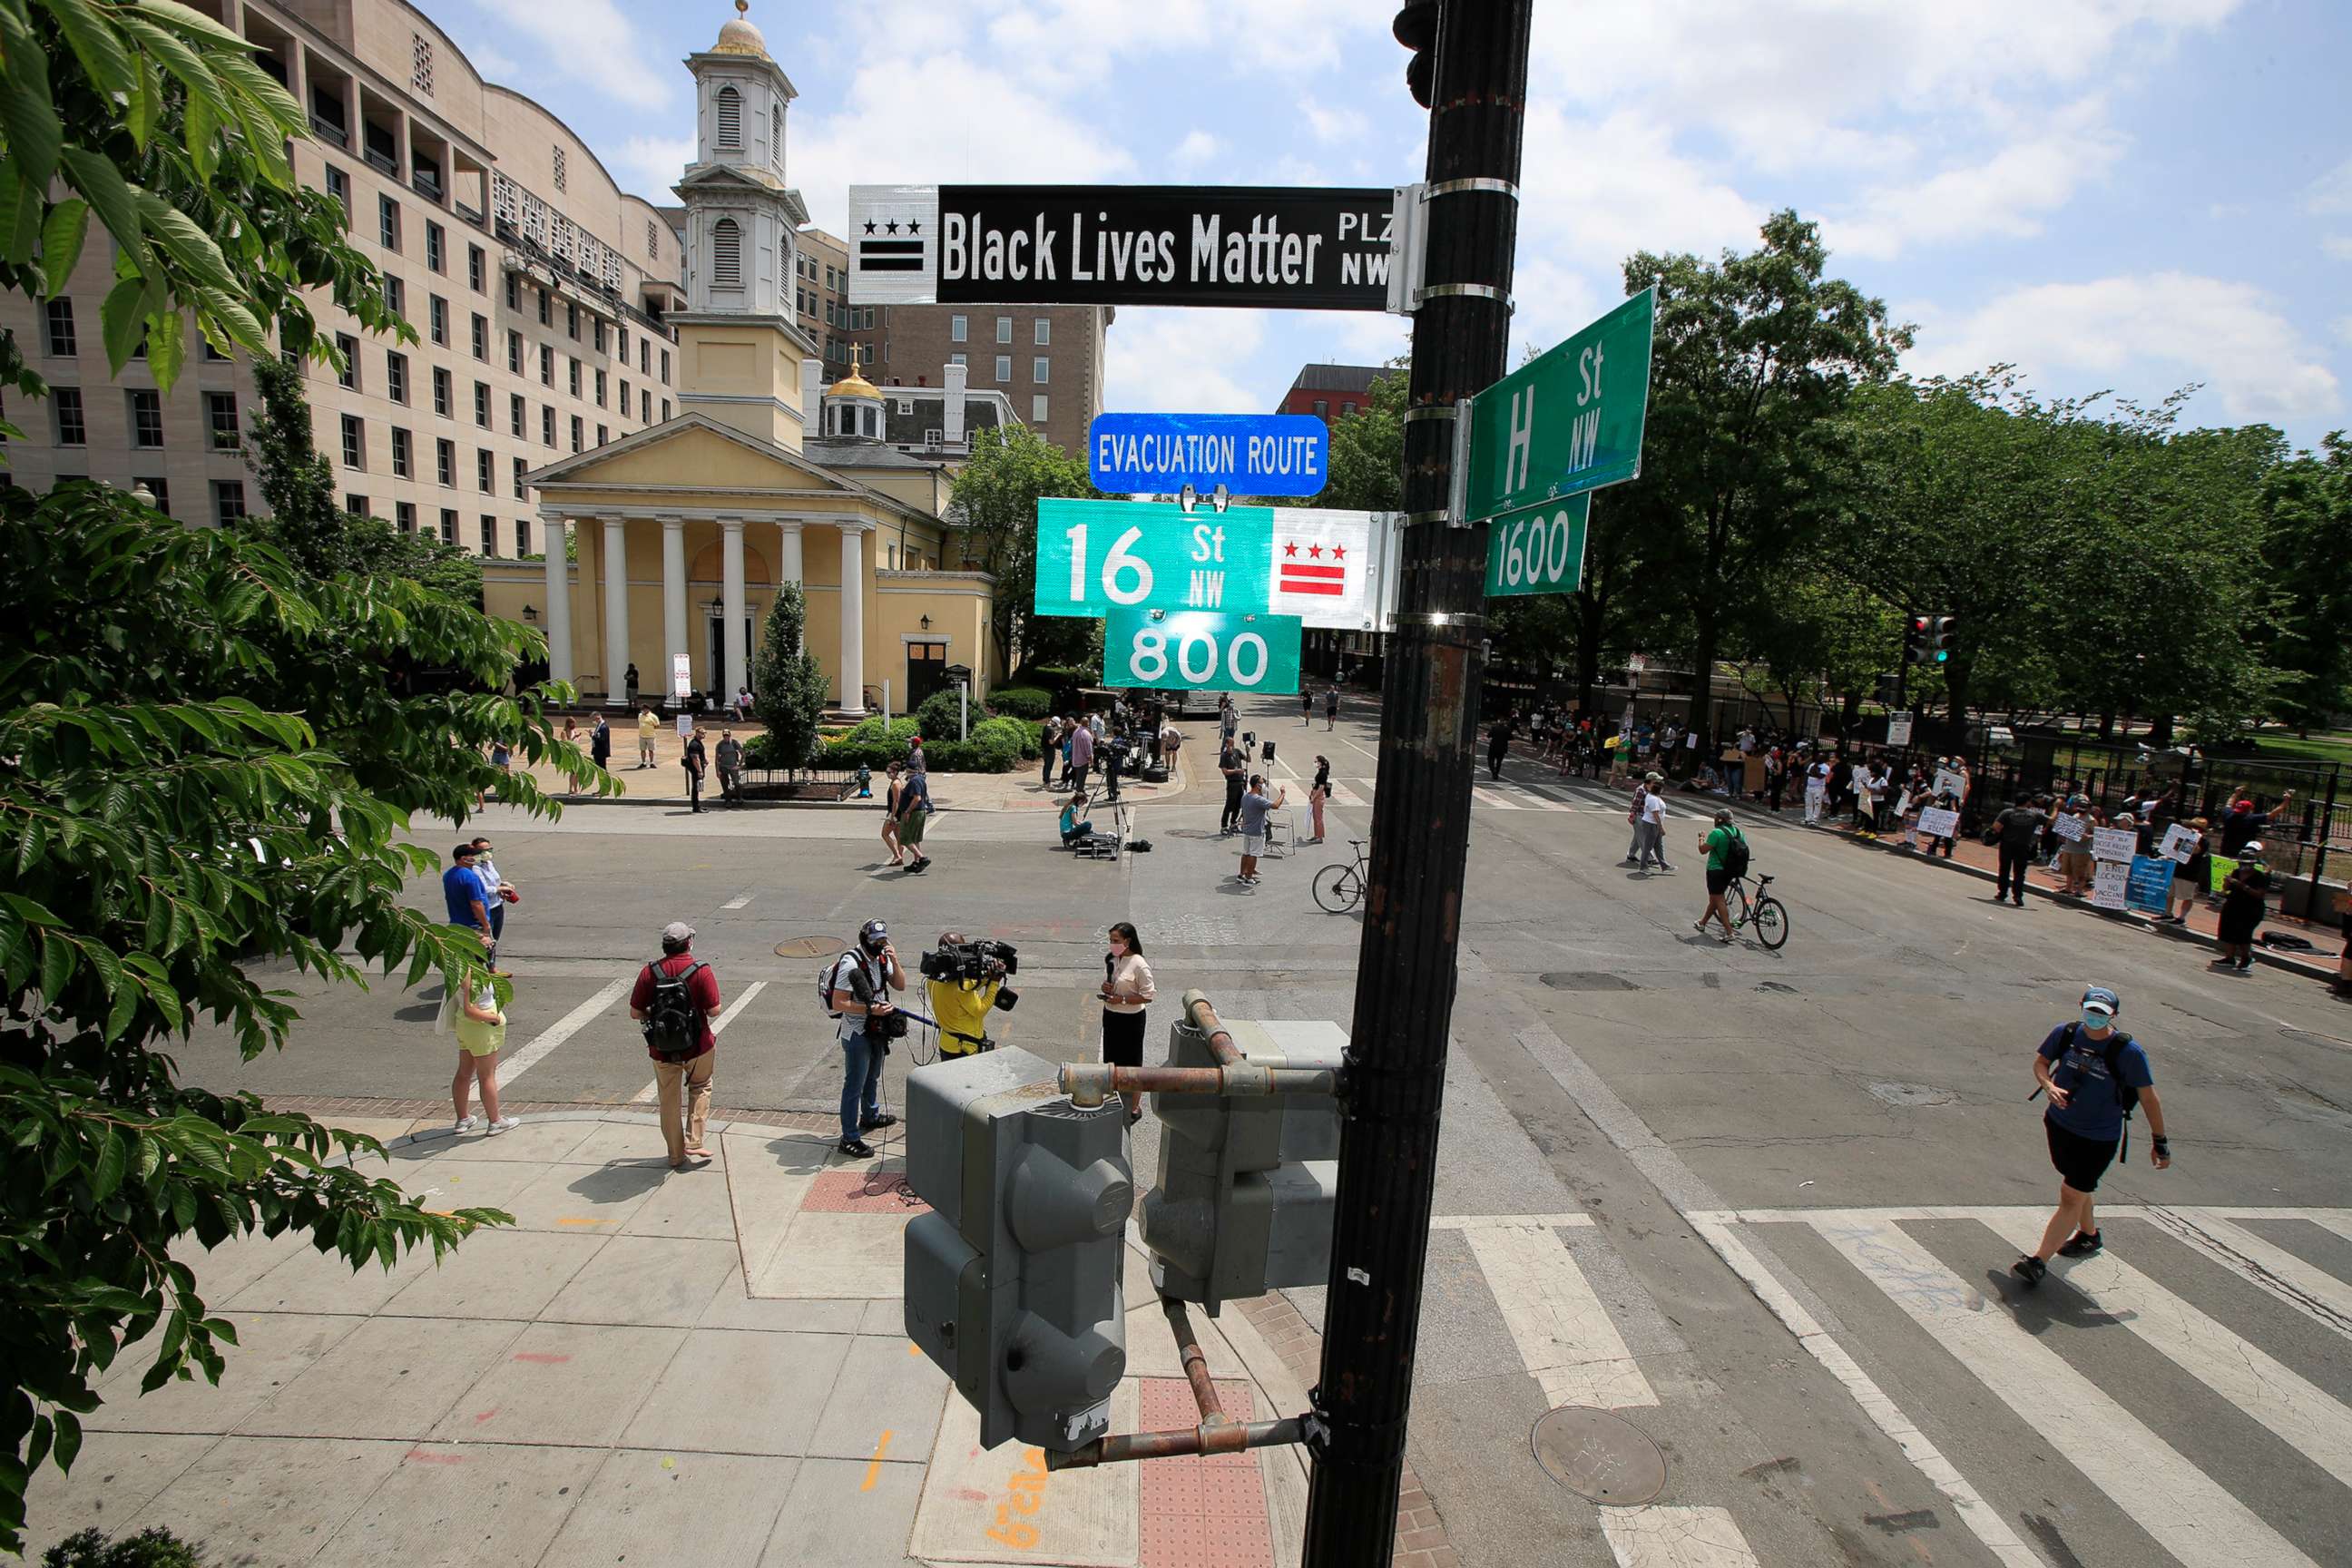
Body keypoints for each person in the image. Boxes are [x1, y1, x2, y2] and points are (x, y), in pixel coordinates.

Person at [2011, 985, 2168, 1286]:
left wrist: (2159, 1141)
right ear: (2082, 1006)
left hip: (2099, 1138)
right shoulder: (2066, 1033)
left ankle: (2039, 1261)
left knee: (2071, 1194)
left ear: (2113, 1016)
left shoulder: (2129, 1053)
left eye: (2102, 1014)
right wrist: (2048, 1086)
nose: (2095, 1017)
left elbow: (2149, 1098)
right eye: (2091, 1010)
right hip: (2059, 1124)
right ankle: (2090, 1235)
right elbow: (2041, 1063)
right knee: (2076, 1185)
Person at [628, 921, 722, 1171]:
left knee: (668, 1100)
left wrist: (657, 1012)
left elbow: (635, 1012)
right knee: (701, 1086)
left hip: (661, 1047)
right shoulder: (701, 970)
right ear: (689, 943)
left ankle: (675, 1155)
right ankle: (694, 1140)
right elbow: (714, 1010)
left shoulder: (650, 972)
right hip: (698, 1045)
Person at [826, 919, 906, 1159]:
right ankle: (849, 1137)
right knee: (854, 1085)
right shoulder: (851, 963)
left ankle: (870, 1115)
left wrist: (895, 960)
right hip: (857, 1032)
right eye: (875, 942)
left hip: (877, 1029)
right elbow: (838, 1002)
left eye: (883, 941)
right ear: (864, 940)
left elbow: (900, 985)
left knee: (873, 1076)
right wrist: (871, 1010)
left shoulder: (882, 958)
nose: (880, 945)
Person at [447, 970, 516, 1135]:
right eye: (483, 941)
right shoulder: (469, 972)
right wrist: (494, 1019)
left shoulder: (463, 966)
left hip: (467, 1028)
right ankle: (495, 1121)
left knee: (464, 1072)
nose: (489, 942)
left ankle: (463, 1119)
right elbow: (469, 1010)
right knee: (487, 1076)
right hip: (481, 1028)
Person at [1099, 921, 1155, 1124]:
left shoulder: (1139, 964)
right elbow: (1115, 983)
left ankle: (1133, 1107)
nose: (1112, 944)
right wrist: (1107, 989)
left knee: (1131, 1062)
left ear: (1128, 941)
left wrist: (1122, 1000)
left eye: (1116, 940)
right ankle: (1113, 1100)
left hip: (1131, 1019)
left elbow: (1148, 995)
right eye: (1111, 940)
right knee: (1111, 1060)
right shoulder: (1113, 959)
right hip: (1112, 1015)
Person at [2212, 845, 2269, 972]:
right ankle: (2229, 957)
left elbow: (2259, 894)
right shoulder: (2236, 872)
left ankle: (2246, 958)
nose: (2243, 866)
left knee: (2243, 934)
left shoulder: (2260, 876)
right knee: (2229, 931)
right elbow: (2226, 890)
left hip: (2250, 909)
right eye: (2241, 863)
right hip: (2233, 905)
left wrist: (2242, 886)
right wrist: (2227, 884)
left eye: (2246, 863)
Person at [443, 844, 497, 972]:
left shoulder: (449, 875)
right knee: (481, 956)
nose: (478, 857)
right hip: (473, 924)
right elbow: (476, 904)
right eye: (474, 855)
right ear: (464, 859)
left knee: (465, 958)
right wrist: (485, 925)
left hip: (457, 922)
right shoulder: (471, 877)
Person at [1693, 808, 1744, 944]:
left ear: (1720, 820)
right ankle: (1702, 922)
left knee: (1719, 899)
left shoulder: (1717, 833)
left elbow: (1703, 850)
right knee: (1715, 898)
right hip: (1730, 870)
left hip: (1716, 870)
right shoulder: (1738, 832)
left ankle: (1729, 932)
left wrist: (1701, 838)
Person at [468, 837, 516, 973]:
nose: (488, 852)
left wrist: (504, 885)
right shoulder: (475, 868)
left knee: (494, 939)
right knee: (485, 941)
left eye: (490, 849)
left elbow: (494, 881)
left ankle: (491, 967)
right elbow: (483, 889)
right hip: (486, 908)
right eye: (484, 850)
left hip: (497, 906)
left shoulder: (488, 863)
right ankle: (479, 969)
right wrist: (501, 889)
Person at [1235, 774, 1286, 886]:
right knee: (1254, 854)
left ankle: (1242, 874)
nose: (1264, 785)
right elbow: (1275, 805)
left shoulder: (1246, 797)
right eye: (1263, 783)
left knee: (1246, 853)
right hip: (1257, 831)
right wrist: (1282, 794)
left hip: (1247, 830)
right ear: (1258, 785)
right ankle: (1249, 877)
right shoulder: (1258, 799)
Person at [2218, 790, 2292, 858]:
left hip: (2225, 850)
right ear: (2249, 810)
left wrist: (2235, 794)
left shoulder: (2228, 815)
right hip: (2243, 853)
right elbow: (2273, 814)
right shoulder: (2252, 819)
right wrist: (2286, 801)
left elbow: (2228, 804)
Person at [2164, 818, 2210, 925]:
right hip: (2176, 869)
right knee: (2168, 893)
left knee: (2187, 896)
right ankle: (2167, 914)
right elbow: (2174, 849)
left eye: (2196, 828)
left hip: (2189, 872)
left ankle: (2181, 918)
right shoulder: (2182, 838)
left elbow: (2195, 851)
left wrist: (2193, 838)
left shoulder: (2204, 842)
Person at [897, 761, 934, 874]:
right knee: (915, 838)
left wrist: (908, 811)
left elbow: (917, 798)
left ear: (908, 770)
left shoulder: (914, 781)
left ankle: (922, 858)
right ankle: (916, 862)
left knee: (905, 837)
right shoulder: (919, 779)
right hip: (919, 811)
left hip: (914, 813)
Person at [1637, 777, 1672, 873]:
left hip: (1654, 824)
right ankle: (1643, 866)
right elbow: (1655, 814)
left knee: (1659, 845)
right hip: (1651, 824)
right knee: (1648, 846)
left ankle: (1664, 864)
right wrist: (1661, 827)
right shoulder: (1653, 799)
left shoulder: (1655, 797)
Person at [880, 760, 906, 865]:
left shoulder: (895, 784)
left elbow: (896, 801)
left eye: (889, 772)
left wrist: (892, 817)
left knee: (885, 834)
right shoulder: (896, 782)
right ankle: (899, 858)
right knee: (898, 835)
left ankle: (897, 855)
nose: (887, 774)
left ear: (895, 772)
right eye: (887, 772)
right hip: (896, 813)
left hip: (894, 813)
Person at [1218, 740, 1247, 836]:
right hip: (1232, 783)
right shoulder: (1224, 756)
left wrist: (1248, 751)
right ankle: (1224, 825)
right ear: (1226, 744)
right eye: (1230, 744)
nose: (1232, 746)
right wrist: (1236, 771)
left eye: (1233, 744)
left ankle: (1233, 823)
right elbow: (1225, 771)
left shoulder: (1237, 752)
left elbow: (1248, 759)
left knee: (1238, 805)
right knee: (1229, 804)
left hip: (1240, 782)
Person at [714, 728, 744, 807]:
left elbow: (743, 754)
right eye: (724, 735)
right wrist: (717, 771)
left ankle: (739, 798)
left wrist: (739, 765)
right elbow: (717, 759)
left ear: (730, 735)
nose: (726, 737)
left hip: (733, 766)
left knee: (737, 783)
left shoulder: (734, 743)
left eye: (727, 735)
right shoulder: (720, 745)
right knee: (725, 785)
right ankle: (728, 801)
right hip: (723, 767)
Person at [682, 724, 708, 813]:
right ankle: (696, 807)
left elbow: (700, 756)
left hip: (698, 767)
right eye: (702, 733)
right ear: (697, 733)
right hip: (695, 769)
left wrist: (704, 760)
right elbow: (695, 759)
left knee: (697, 787)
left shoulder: (698, 742)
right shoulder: (694, 744)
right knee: (696, 788)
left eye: (704, 733)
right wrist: (699, 771)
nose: (703, 735)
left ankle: (697, 806)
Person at [1067, 718, 1095, 796]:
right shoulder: (1086, 734)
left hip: (1075, 758)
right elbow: (1088, 749)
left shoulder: (1076, 732)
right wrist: (1091, 761)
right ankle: (1079, 793)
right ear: (1087, 723)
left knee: (1079, 776)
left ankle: (1081, 790)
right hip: (1083, 760)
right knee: (1081, 777)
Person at [1307, 754, 1331, 844]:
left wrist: (1314, 797)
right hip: (1316, 794)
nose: (1315, 763)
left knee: (1318, 818)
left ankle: (1320, 837)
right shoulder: (1320, 771)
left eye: (1316, 761)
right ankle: (1317, 835)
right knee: (1315, 817)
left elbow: (1321, 787)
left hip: (1319, 797)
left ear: (1320, 763)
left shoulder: (1323, 773)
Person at [1803, 754, 1830, 827]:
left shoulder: (1825, 767)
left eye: (1820, 757)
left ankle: (1814, 819)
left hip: (1818, 788)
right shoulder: (1812, 765)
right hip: (1809, 787)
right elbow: (1808, 774)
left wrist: (1815, 768)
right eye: (1818, 757)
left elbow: (1820, 776)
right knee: (1808, 803)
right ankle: (1808, 818)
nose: (1818, 758)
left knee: (1817, 803)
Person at [1487, 712, 1514, 781]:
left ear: (1498, 721)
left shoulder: (1494, 728)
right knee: (1499, 762)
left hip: (1493, 747)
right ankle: (1496, 773)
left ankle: (1493, 772)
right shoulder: (1507, 729)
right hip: (1502, 747)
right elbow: (1511, 738)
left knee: (1490, 760)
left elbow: (1488, 735)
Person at [1041, 717, 1063, 789]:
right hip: (1050, 750)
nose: (1056, 726)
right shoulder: (1051, 730)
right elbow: (1051, 742)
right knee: (1049, 766)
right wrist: (1058, 735)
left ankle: (1045, 781)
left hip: (1045, 749)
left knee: (1046, 765)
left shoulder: (1046, 727)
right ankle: (1047, 783)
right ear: (1054, 722)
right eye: (1056, 724)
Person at [589, 711, 612, 780]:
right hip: (597, 751)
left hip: (601, 751)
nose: (594, 721)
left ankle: (605, 786)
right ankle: (602, 787)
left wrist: (593, 735)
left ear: (598, 717)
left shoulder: (604, 727)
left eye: (594, 719)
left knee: (602, 770)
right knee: (600, 770)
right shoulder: (599, 726)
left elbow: (602, 739)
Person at [636, 705, 659, 769]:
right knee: (642, 750)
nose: (643, 711)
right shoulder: (640, 715)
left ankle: (652, 762)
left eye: (644, 709)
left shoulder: (653, 717)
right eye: (642, 709)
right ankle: (643, 763)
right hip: (642, 735)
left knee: (651, 750)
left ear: (648, 709)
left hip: (650, 736)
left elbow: (657, 725)